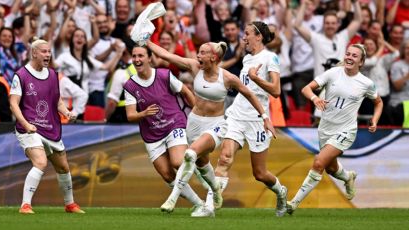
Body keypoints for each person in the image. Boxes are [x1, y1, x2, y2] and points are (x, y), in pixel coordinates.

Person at [147, 36, 274, 217]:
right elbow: (167, 56)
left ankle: (172, 198)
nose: (198, 56)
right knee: (200, 163)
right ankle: (215, 189)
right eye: (198, 52)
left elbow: (250, 94)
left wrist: (265, 117)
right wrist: (148, 43)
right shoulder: (194, 67)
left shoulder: (228, 78)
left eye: (202, 53)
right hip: (194, 123)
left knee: (190, 154)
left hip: (216, 125)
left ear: (213, 57)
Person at [286, 44, 383, 214]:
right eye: (348, 54)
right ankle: (348, 177)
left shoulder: (366, 83)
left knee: (318, 162)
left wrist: (374, 120)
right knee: (331, 168)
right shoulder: (332, 73)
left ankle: (293, 203)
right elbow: (306, 88)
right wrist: (315, 98)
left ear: (361, 62)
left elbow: (378, 102)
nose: (350, 58)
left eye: (354, 56)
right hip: (325, 128)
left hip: (346, 131)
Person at [213, 21, 287, 217]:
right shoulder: (246, 59)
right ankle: (210, 205)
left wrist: (256, 79)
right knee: (224, 157)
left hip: (257, 119)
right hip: (237, 114)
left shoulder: (271, 58)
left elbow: (276, 91)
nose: (243, 38)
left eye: (246, 34)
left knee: (260, 174)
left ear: (258, 36)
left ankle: (281, 192)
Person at [123, 45, 205, 216]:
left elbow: (186, 92)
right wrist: (144, 113)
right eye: (134, 56)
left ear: (149, 58)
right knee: (167, 175)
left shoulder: (164, 75)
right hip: (152, 134)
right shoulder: (130, 86)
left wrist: (196, 112)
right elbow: (130, 115)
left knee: (177, 162)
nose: (137, 59)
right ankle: (199, 204)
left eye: (141, 56)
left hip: (174, 123)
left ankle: (202, 173)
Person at [9, 39, 85, 214]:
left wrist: (67, 112)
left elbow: (57, 101)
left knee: (63, 167)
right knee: (41, 162)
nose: (48, 55)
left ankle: (70, 204)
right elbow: (13, 104)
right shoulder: (21, 75)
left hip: (50, 128)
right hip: (29, 128)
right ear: (34, 53)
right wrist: (26, 124)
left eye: (49, 52)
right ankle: (25, 205)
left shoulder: (52, 75)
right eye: (44, 51)